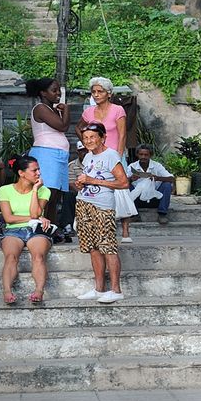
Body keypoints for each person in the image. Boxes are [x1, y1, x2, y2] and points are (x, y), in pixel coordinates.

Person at [73, 122, 129, 303]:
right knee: (93, 248)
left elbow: (124, 183)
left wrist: (93, 180)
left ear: (103, 137)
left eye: (92, 137)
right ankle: (99, 289)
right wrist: (81, 183)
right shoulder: (88, 156)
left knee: (108, 247)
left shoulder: (111, 155)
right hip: (84, 203)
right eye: (85, 138)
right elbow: (89, 179)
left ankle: (116, 290)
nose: (88, 141)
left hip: (102, 207)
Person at [76, 78, 129, 239]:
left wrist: (118, 155)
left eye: (100, 91)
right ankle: (98, 226)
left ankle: (126, 231)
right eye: (94, 92)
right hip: (96, 156)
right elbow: (79, 128)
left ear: (109, 93)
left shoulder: (117, 110)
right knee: (97, 188)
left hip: (114, 154)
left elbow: (122, 134)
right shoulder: (89, 112)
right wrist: (88, 144)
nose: (97, 94)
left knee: (121, 191)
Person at [0, 155, 53, 304]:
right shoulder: (5, 190)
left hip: (36, 230)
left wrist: (35, 190)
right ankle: (7, 291)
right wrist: (32, 219)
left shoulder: (44, 190)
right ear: (21, 173)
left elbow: (35, 214)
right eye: (34, 170)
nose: (38, 173)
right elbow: (8, 218)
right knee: (11, 256)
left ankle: (39, 291)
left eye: (39, 170)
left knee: (38, 256)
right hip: (13, 231)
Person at [25, 77, 71, 227]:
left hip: (57, 155)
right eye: (54, 90)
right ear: (43, 93)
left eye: (59, 90)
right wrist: (67, 110)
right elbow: (62, 126)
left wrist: (62, 111)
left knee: (56, 194)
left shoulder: (52, 109)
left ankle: (52, 227)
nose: (58, 93)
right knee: (47, 193)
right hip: (47, 154)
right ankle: (41, 225)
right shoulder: (40, 108)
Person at [128, 145, 175, 225]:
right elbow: (121, 182)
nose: (143, 157)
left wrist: (158, 178)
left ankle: (162, 214)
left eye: (146, 155)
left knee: (167, 185)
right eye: (141, 154)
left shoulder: (157, 166)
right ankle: (134, 215)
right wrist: (131, 179)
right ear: (137, 155)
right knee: (126, 185)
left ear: (150, 155)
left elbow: (171, 178)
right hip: (137, 200)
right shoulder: (132, 166)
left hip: (155, 199)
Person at [60, 143, 87, 237]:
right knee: (68, 195)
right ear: (78, 152)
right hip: (79, 191)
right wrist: (82, 193)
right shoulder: (72, 165)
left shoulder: (96, 163)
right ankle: (67, 225)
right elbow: (71, 183)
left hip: (95, 192)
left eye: (86, 151)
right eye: (82, 151)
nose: (85, 153)